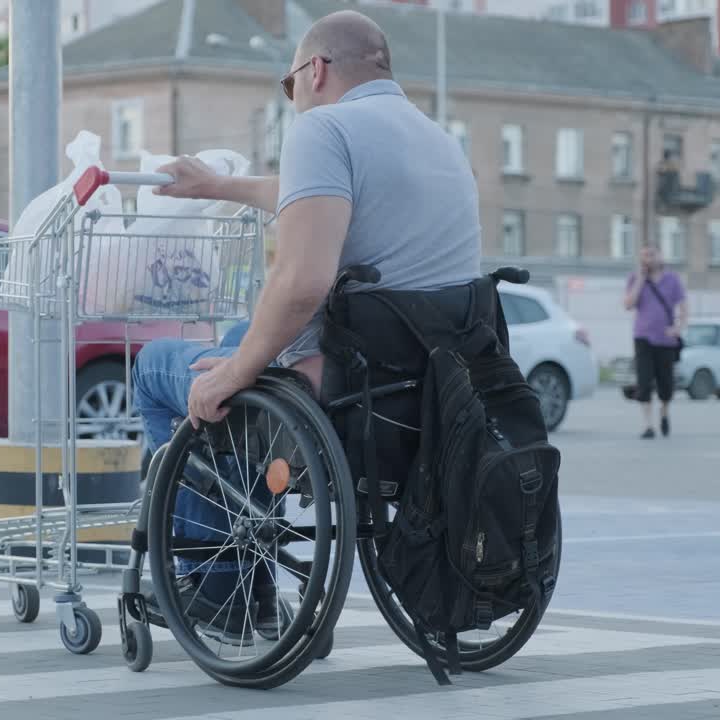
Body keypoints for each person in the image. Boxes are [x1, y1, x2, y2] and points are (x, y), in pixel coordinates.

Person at [131, 9, 483, 645]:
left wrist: (236, 374)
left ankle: (215, 582)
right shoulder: (437, 141)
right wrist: (217, 185)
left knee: (163, 368)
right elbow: (307, 193)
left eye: (289, 87)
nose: (293, 101)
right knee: (240, 351)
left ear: (315, 71)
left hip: (340, 389)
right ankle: (247, 570)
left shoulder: (324, 129)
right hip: (425, 397)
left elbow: (300, 285)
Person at [624, 245, 686, 438]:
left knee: (666, 384)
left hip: (666, 341)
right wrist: (641, 279)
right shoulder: (635, 278)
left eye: (650, 255)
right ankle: (648, 425)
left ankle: (664, 413)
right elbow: (628, 304)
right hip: (642, 337)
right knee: (644, 381)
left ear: (659, 256)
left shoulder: (672, 280)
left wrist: (677, 328)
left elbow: (684, 308)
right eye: (643, 256)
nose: (647, 259)